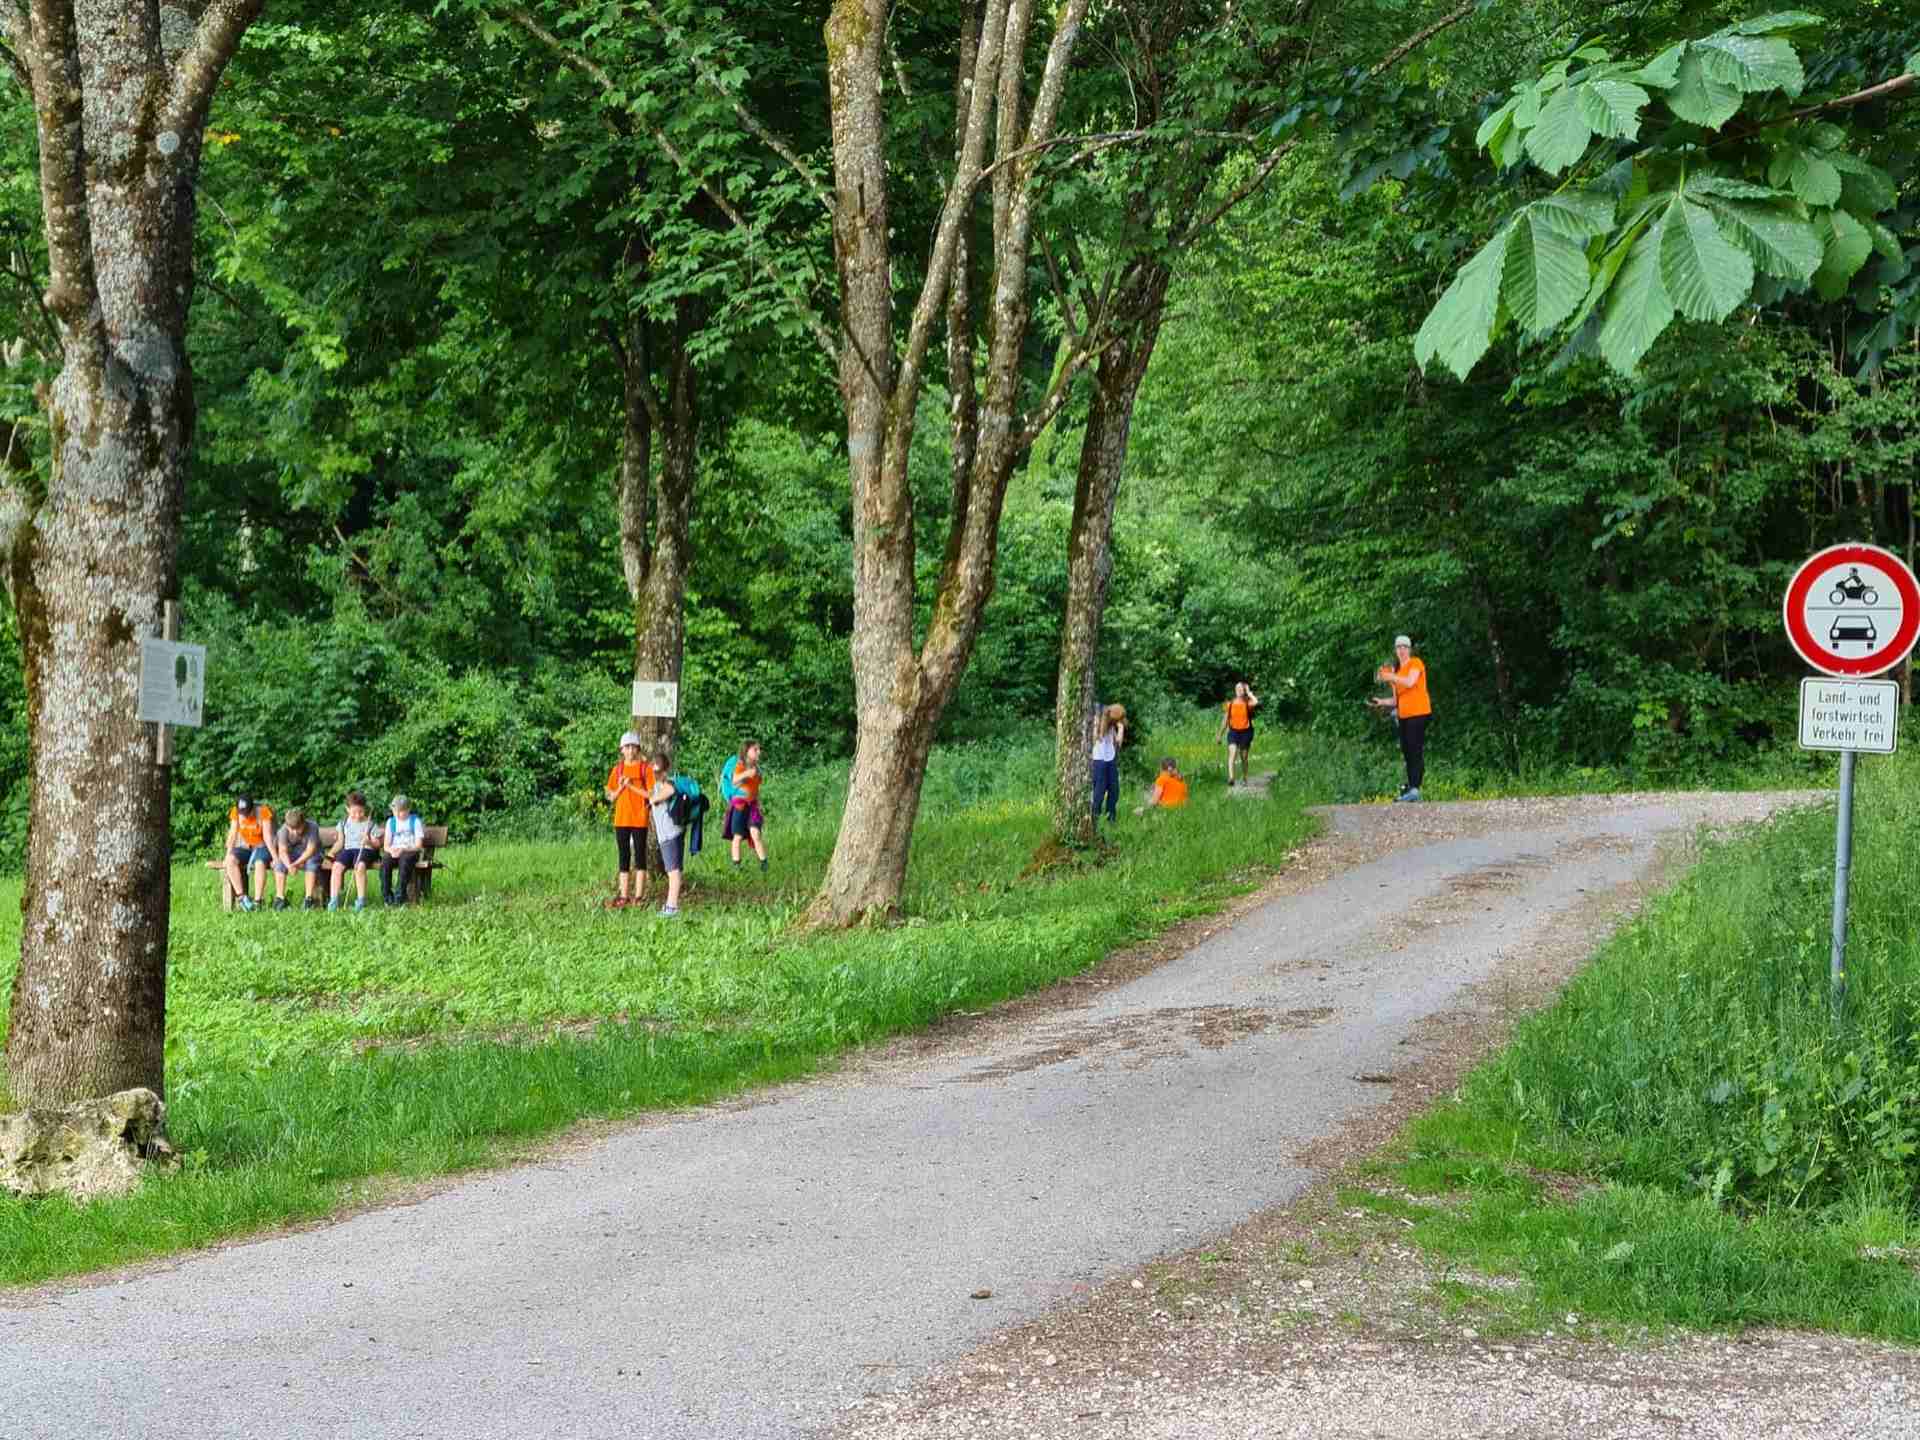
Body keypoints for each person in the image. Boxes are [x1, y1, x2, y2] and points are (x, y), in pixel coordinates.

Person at [1371, 634, 1432, 802]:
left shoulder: (1415, 663)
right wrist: (1381, 702)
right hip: (1404, 715)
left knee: (1414, 748)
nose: (1402, 650)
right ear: (1395, 650)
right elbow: (1396, 700)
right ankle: (1411, 789)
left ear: (1409, 649)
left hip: (1419, 712)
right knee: (1406, 750)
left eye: (1405, 647)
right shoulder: (1397, 673)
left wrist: (1391, 677)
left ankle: (1415, 789)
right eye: (1399, 647)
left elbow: (1410, 682)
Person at [604, 731, 654, 908]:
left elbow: (651, 795)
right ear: (622, 749)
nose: (630, 750)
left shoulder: (645, 769)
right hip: (621, 820)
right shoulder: (617, 770)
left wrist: (631, 785)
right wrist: (620, 788)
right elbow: (610, 797)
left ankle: (639, 896)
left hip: (640, 818)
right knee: (623, 857)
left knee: (640, 857)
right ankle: (624, 896)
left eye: (633, 747)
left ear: (638, 749)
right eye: (627, 747)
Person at [649, 747, 687, 918]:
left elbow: (670, 791)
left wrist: (655, 799)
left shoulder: (668, 783)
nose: (655, 774)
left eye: (658, 771)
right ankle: (671, 905)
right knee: (674, 869)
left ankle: (672, 907)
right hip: (669, 833)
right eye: (653, 771)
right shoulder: (657, 785)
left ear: (665, 770)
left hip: (670, 833)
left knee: (673, 871)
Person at [327, 791, 380, 912]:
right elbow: (340, 842)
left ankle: (361, 901)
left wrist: (369, 841)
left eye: (361, 812)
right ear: (347, 809)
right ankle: (333, 900)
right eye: (354, 812)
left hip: (365, 849)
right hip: (348, 850)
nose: (357, 815)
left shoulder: (370, 824)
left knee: (359, 867)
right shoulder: (343, 823)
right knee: (336, 867)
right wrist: (331, 853)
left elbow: (377, 844)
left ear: (365, 809)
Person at [719, 739, 768, 870]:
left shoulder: (756, 768)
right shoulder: (740, 765)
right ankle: (737, 866)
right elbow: (735, 780)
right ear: (746, 752)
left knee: (756, 833)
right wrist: (747, 773)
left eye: (759, 749)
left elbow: (755, 789)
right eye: (755, 749)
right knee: (738, 836)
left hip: (752, 806)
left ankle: (764, 864)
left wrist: (759, 804)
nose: (759, 752)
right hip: (739, 806)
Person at [221, 795, 275, 912]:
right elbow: (232, 834)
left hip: (262, 846)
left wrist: (275, 858)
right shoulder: (236, 811)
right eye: (241, 813)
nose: (243, 816)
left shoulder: (263, 811)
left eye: (246, 813)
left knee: (259, 863)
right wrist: (227, 855)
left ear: (252, 808)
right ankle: (242, 898)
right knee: (230, 861)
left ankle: (257, 901)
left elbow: (268, 837)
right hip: (245, 846)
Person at [271, 807, 324, 910]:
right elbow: (282, 851)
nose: (295, 832)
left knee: (311, 863)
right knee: (280, 864)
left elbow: (310, 850)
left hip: (312, 854)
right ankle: (280, 898)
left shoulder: (312, 827)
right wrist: (289, 865)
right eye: (292, 829)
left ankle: (308, 899)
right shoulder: (283, 830)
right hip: (293, 854)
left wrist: (295, 864)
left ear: (304, 823)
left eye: (297, 829)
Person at [380, 793, 426, 906]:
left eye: (401, 811)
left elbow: (418, 845)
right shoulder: (391, 822)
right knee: (385, 862)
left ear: (408, 809)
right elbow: (386, 845)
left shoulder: (415, 821)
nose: (398, 814)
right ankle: (387, 896)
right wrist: (391, 851)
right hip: (394, 852)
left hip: (410, 851)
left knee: (405, 861)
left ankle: (399, 896)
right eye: (395, 811)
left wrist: (403, 849)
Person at [1215, 681, 1260, 787]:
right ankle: (1231, 778)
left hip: (1246, 732)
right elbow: (1225, 720)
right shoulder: (1230, 704)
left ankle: (1245, 777)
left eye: (1241, 689)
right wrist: (1220, 734)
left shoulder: (1248, 703)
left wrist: (1249, 693)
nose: (1239, 690)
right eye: (1237, 689)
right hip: (1233, 732)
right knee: (1232, 753)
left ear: (1244, 691)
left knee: (1244, 757)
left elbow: (1256, 702)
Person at [1089, 703, 1126, 826]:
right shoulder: (1098, 721)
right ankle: (1095, 819)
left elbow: (1118, 743)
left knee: (1114, 790)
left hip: (1111, 760)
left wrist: (1121, 729)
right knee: (1099, 792)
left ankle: (1111, 819)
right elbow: (1095, 738)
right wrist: (1099, 727)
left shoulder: (1112, 727)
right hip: (1098, 761)